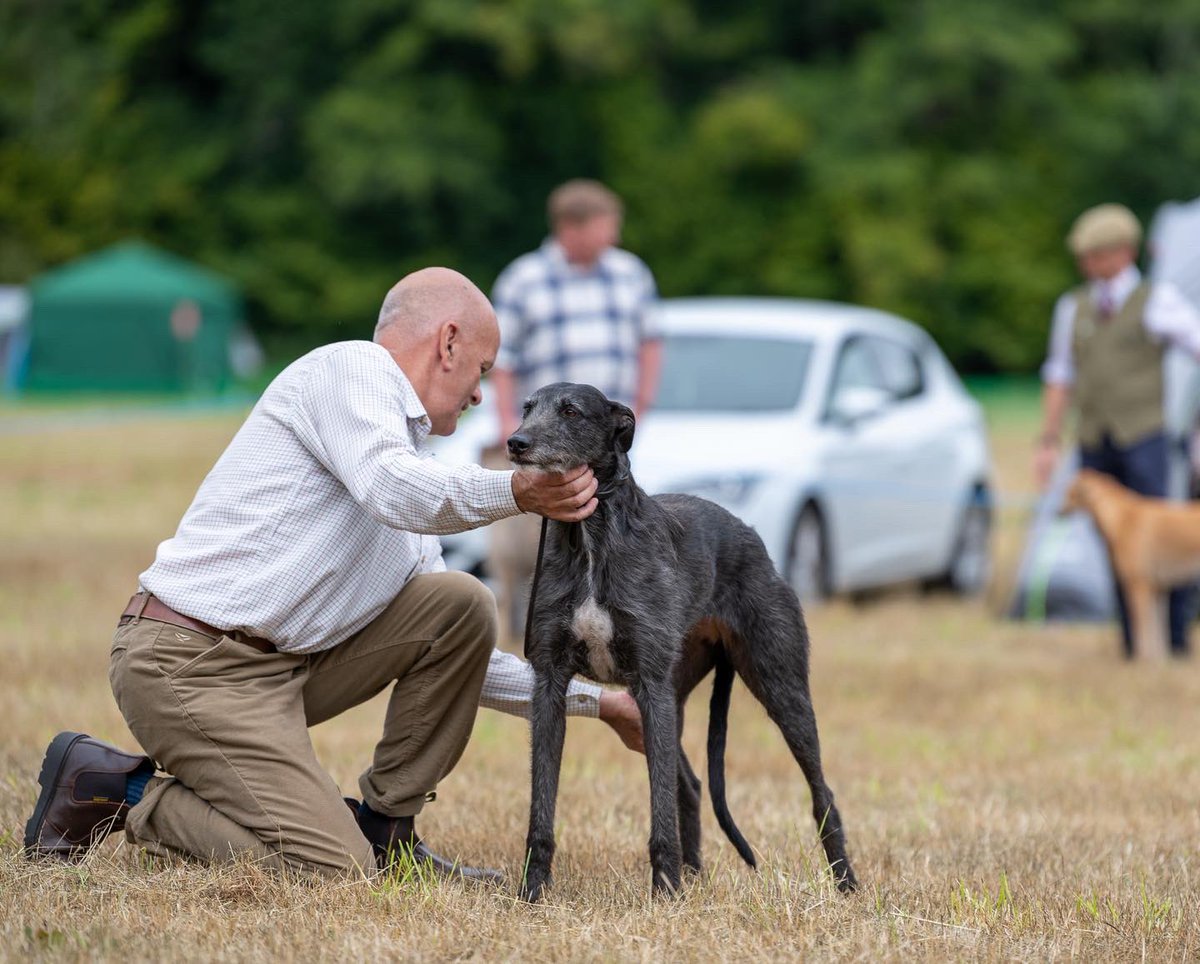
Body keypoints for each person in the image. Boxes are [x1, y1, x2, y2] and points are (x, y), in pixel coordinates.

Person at [24, 267, 644, 880]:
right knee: (329, 869)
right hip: (188, 664)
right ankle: (113, 790)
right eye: (481, 369)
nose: (482, 394)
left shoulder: (405, 462)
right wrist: (518, 490)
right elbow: (390, 489)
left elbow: (467, 656)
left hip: (278, 673)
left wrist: (604, 704)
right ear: (447, 341)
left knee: (459, 604)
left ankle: (387, 834)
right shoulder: (351, 372)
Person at [484, 180, 661, 640]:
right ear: (572, 227)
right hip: (543, 437)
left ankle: (613, 626)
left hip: (604, 439)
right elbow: (503, 360)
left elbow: (650, 342)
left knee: (616, 531)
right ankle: (530, 636)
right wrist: (510, 424)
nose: (614, 237)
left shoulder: (630, 274)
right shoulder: (524, 279)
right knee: (528, 546)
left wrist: (641, 405)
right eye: (607, 226)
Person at [1036, 203, 1200, 658]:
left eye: (1096, 255)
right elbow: (1059, 375)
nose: (1088, 264)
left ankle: (1176, 638)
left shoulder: (1157, 300)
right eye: (1084, 257)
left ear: (1122, 253)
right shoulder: (1073, 308)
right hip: (1095, 440)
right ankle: (1133, 641)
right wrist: (1048, 441)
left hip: (1144, 435)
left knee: (1171, 535)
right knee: (1114, 542)